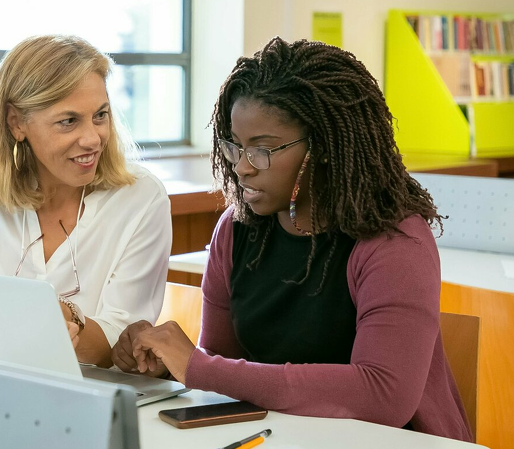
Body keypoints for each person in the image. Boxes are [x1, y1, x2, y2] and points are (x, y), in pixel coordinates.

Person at [111, 37, 473, 441]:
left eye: (262, 150)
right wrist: (168, 363)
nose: (242, 168)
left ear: (324, 147)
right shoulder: (236, 230)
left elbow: (384, 396)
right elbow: (224, 368)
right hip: (281, 436)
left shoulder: (393, 241)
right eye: (235, 146)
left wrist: (198, 367)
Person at [0, 35, 172, 367]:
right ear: (16, 122)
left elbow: (121, 346)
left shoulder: (141, 199)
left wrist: (69, 322)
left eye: (101, 115)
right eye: (68, 121)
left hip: (90, 396)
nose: (93, 138)